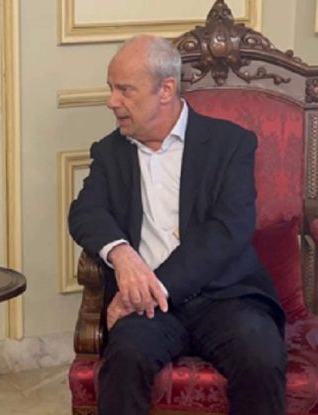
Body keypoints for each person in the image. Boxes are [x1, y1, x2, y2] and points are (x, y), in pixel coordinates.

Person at [68, 35, 286, 415]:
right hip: (148, 311)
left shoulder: (230, 144)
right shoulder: (110, 152)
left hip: (226, 298)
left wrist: (151, 287)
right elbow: (85, 211)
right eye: (111, 88)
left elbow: (228, 231)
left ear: (166, 90)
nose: (111, 101)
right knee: (124, 359)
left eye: (124, 90)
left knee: (261, 358)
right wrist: (122, 255)